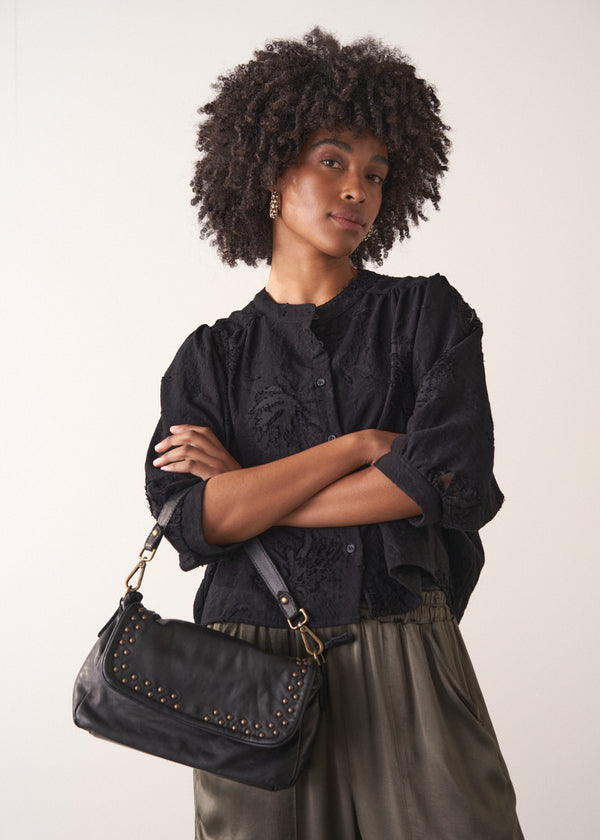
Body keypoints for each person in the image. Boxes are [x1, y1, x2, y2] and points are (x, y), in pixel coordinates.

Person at [145, 28, 524, 840]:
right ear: (269, 171)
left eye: (376, 174)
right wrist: (355, 450)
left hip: (405, 651)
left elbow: (440, 477)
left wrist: (249, 489)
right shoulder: (209, 358)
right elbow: (193, 519)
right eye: (332, 161)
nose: (358, 189)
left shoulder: (427, 317)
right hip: (246, 670)